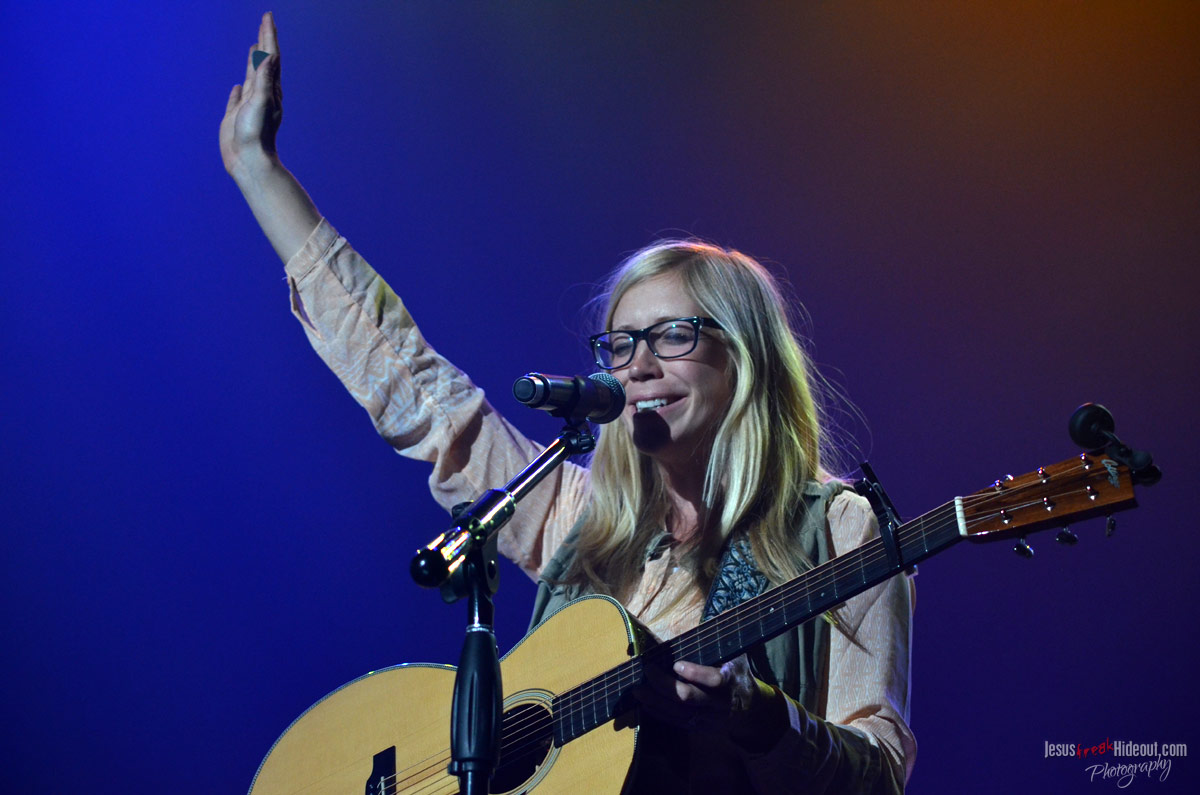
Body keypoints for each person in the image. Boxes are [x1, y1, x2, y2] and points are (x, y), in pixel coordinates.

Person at [222, 12, 915, 793]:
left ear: (745, 359)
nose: (638, 365)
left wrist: (760, 718)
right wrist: (259, 173)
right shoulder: (582, 520)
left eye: (673, 335)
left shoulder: (838, 529)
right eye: (620, 344)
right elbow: (418, 391)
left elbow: (879, 772)